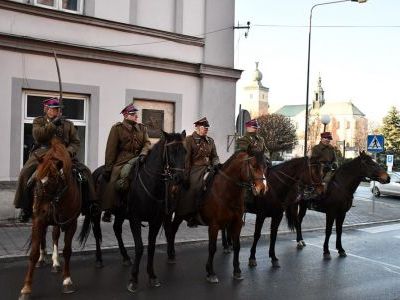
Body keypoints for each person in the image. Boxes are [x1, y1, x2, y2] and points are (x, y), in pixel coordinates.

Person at [14, 97, 99, 222]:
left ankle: (90, 204)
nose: (58, 111)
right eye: (54, 109)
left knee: (85, 172)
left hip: (63, 154)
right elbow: (39, 135)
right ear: (46, 109)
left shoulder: (68, 124)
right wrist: (53, 124)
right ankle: (25, 207)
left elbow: (75, 142)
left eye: (59, 109)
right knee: (25, 174)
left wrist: (67, 152)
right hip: (43, 153)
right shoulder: (39, 121)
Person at [101, 103, 151, 222]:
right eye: (133, 114)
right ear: (125, 115)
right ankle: (108, 209)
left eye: (136, 114)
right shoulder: (117, 128)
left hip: (140, 158)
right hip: (122, 160)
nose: (136, 117)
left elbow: (147, 143)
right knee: (113, 179)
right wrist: (108, 168)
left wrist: (144, 153)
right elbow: (111, 149)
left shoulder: (142, 128)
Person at [177, 117, 220, 227]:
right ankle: (190, 214)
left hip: (209, 168)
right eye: (203, 128)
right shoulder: (189, 140)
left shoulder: (210, 140)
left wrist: (217, 164)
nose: (206, 130)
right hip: (195, 169)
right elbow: (186, 160)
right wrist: (186, 176)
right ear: (197, 128)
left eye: (207, 128)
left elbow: (214, 156)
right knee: (195, 187)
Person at [235, 119, 269, 210]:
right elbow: (243, 153)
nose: (256, 129)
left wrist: (266, 159)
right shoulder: (242, 140)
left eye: (257, 127)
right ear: (248, 127)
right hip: (248, 165)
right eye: (254, 127)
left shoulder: (260, 139)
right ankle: (245, 202)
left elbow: (265, 151)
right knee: (246, 181)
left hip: (260, 164)